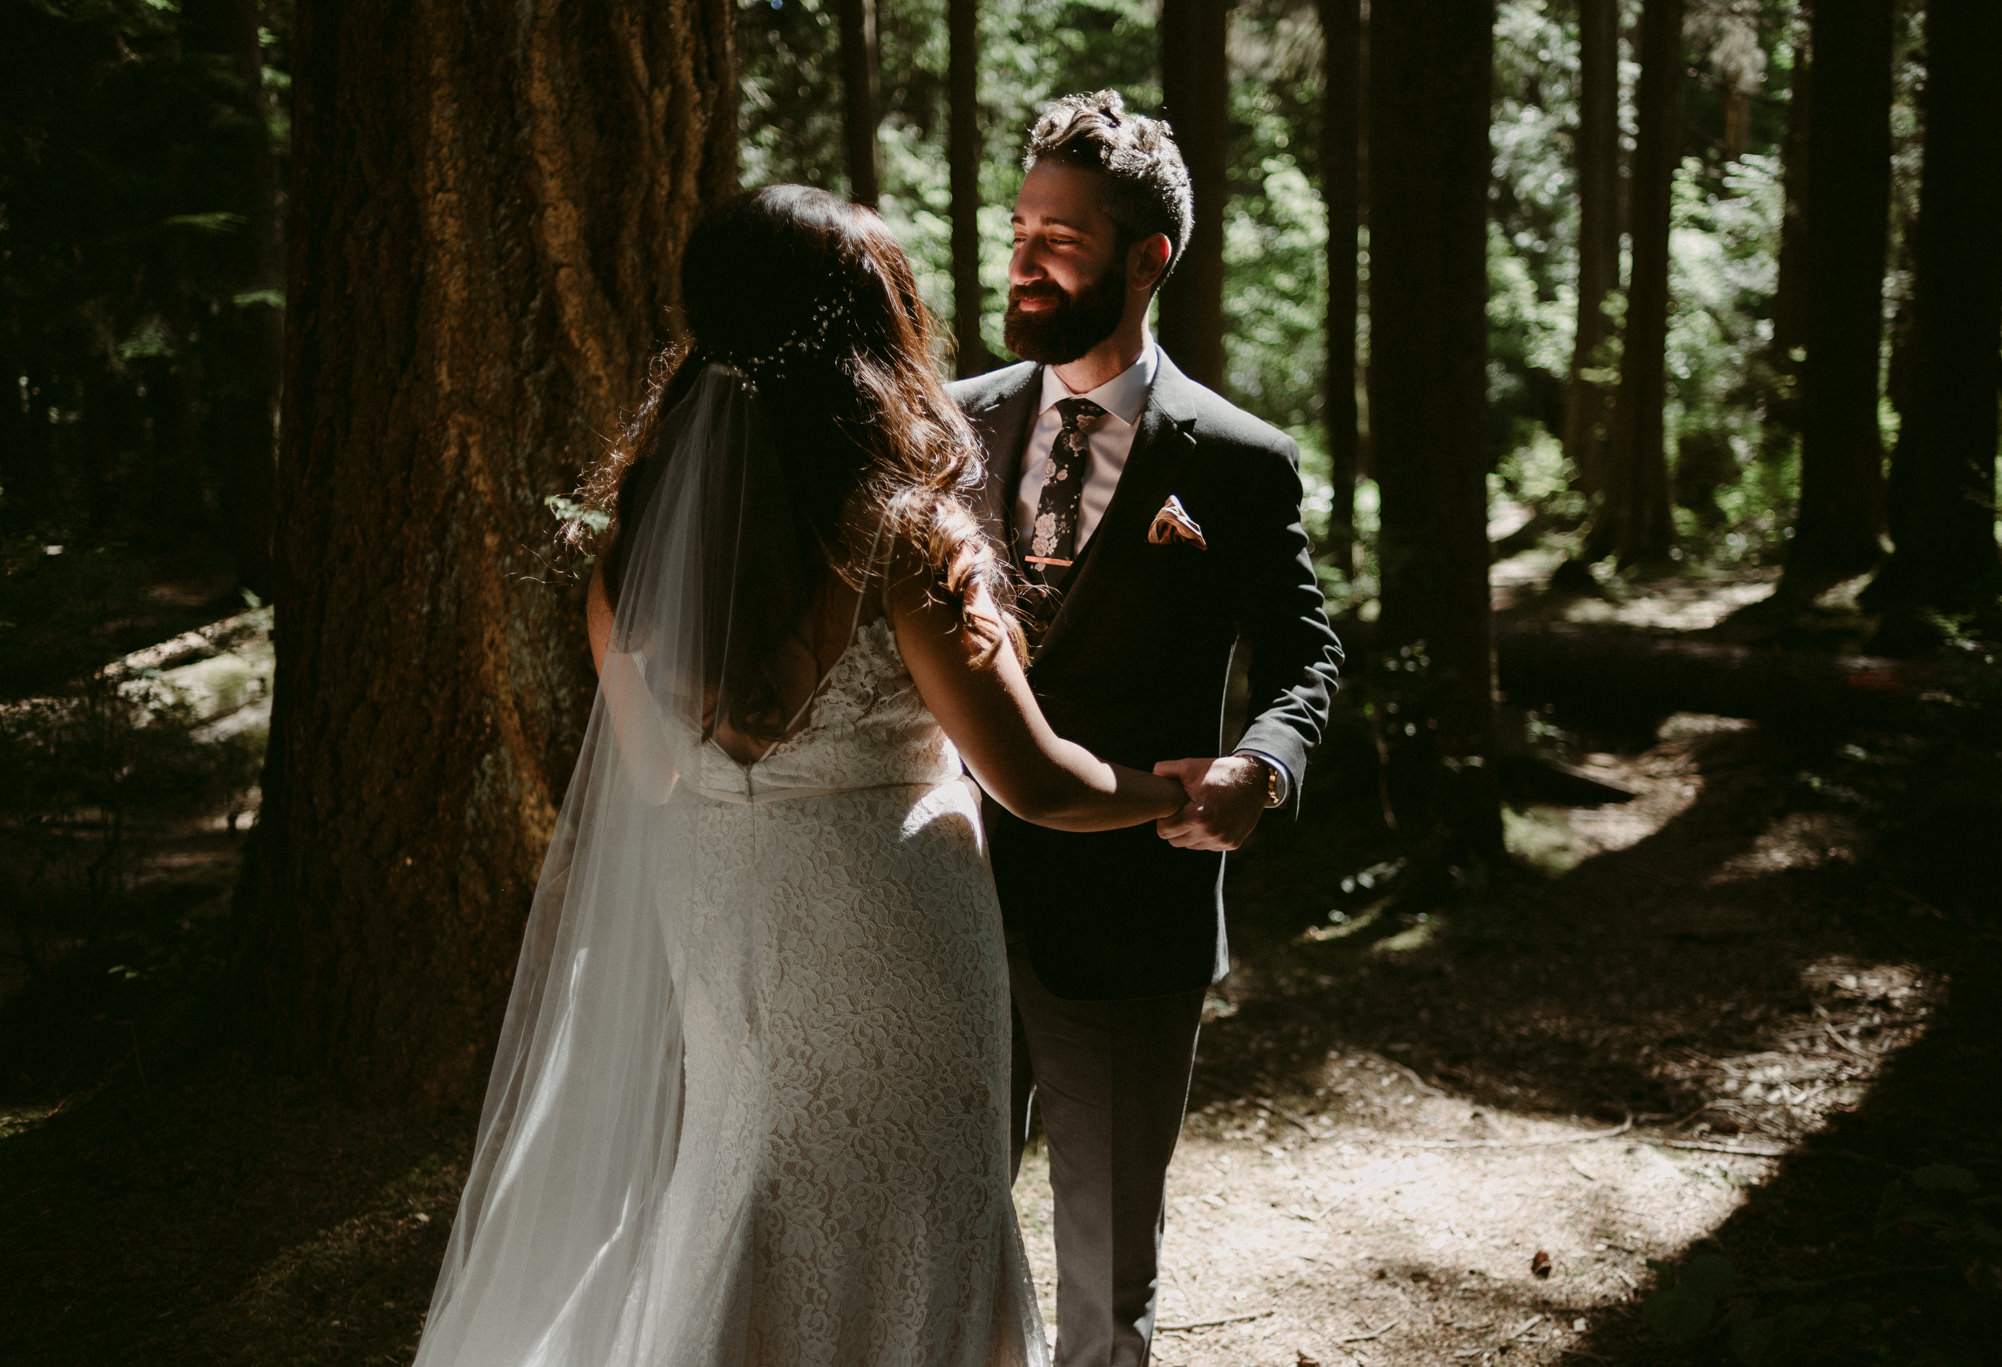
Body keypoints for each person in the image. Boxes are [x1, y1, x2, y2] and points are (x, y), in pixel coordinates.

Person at [410, 185, 1191, 1367]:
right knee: (910, 1203)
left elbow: (653, 780)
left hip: (724, 918)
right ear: (871, 334)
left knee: (748, 1189)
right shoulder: (899, 537)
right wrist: (1174, 790)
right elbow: (1036, 781)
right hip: (890, 933)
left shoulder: (637, 548)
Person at [948, 91, 1345, 1367]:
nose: (1022, 258)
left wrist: (1262, 765)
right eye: (1020, 228)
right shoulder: (945, 425)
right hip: (931, 898)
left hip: (1128, 920)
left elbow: (1303, 657)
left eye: (1058, 237)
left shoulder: (1235, 460)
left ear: (1145, 259)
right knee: (931, 1239)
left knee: (1104, 1288)